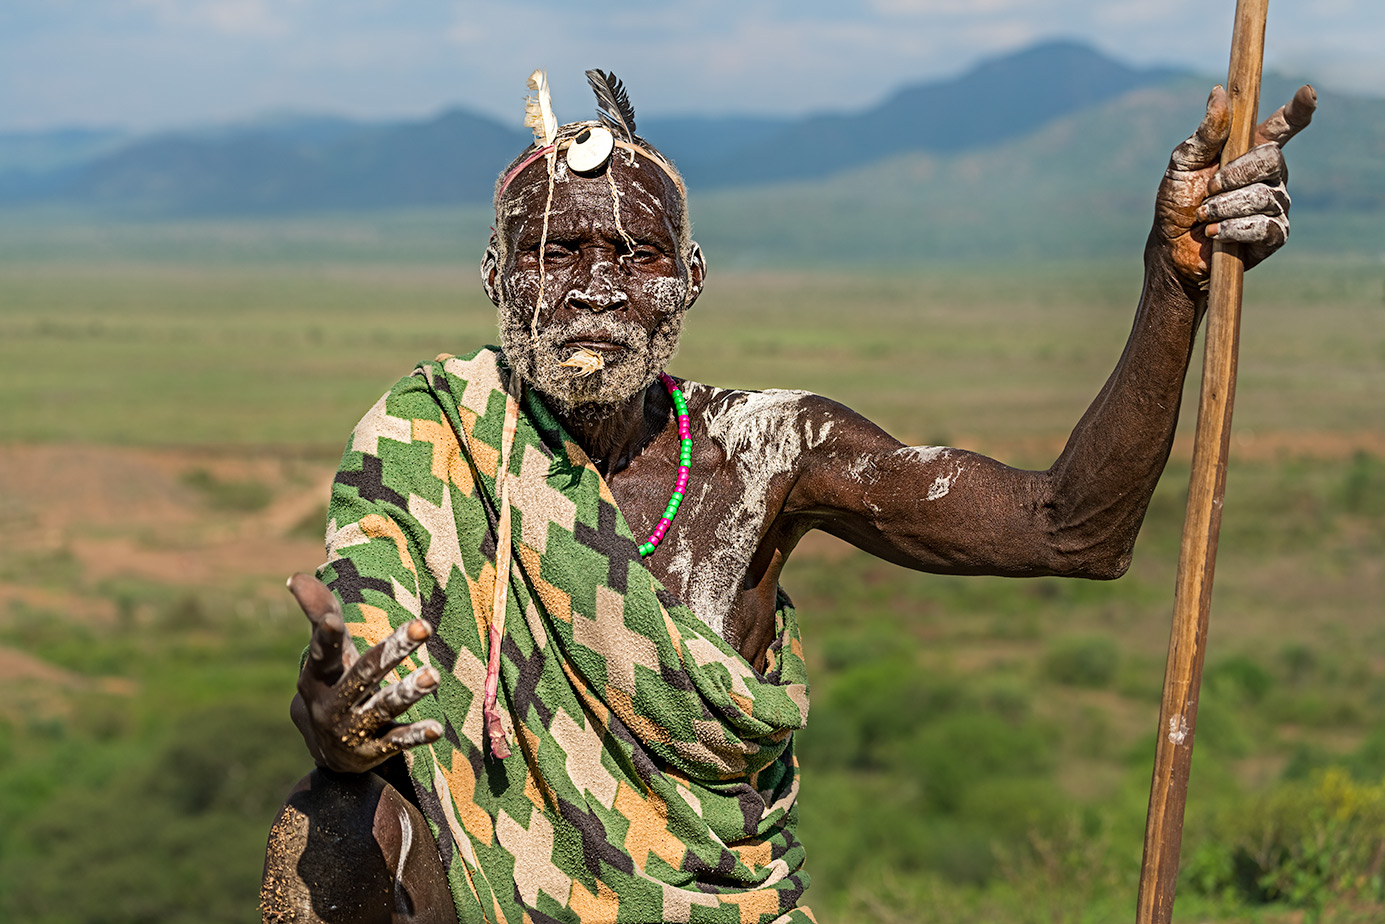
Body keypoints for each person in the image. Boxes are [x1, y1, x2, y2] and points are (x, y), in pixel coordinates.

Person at [261, 71, 1316, 924]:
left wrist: (1172, 278)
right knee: (328, 826)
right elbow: (355, 693)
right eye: (554, 251)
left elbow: (1071, 528)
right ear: (496, 278)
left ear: (691, 279)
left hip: (722, 909)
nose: (592, 284)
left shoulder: (768, 451)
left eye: (635, 253)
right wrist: (338, 721)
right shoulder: (429, 434)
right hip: (487, 900)